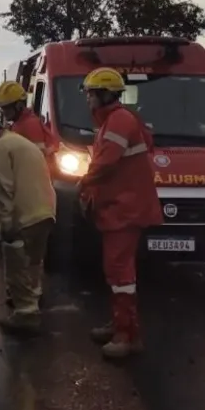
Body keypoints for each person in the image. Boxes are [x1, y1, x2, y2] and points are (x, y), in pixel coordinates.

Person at [77, 67, 163, 358]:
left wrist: (84, 184)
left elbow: (104, 164)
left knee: (120, 273)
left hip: (125, 208)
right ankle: (119, 325)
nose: (87, 100)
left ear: (103, 94)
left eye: (90, 94)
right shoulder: (115, 120)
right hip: (120, 207)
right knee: (115, 271)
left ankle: (127, 335)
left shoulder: (118, 121)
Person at [0, 121, 56, 335]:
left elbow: (5, 187)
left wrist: (7, 223)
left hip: (24, 216)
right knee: (34, 262)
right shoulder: (23, 143)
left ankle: (26, 314)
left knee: (16, 266)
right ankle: (34, 298)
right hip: (45, 212)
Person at [0, 82, 61, 243]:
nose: (4, 113)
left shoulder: (28, 126)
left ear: (19, 105)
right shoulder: (20, 124)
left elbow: (33, 163)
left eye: (7, 108)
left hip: (35, 195)